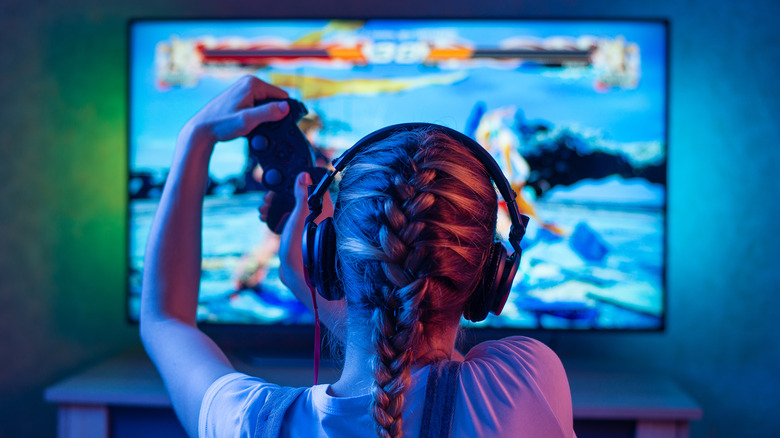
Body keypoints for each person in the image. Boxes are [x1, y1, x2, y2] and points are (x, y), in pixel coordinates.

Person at [140, 76, 575, 438]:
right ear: (491, 278)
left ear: (328, 256)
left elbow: (164, 321)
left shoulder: (252, 422)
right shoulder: (522, 384)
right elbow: (420, 366)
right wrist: (322, 292)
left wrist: (194, 139)